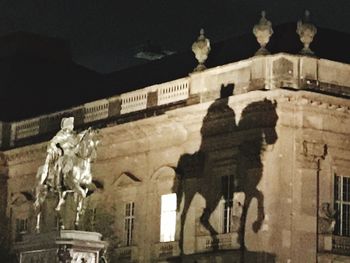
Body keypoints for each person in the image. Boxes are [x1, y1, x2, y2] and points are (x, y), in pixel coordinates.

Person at [39, 117, 79, 189]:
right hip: (63, 154)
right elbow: (52, 143)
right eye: (68, 129)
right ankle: (58, 183)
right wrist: (57, 149)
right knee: (61, 164)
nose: (69, 131)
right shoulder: (61, 135)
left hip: (71, 155)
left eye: (70, 129)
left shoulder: (73, 136)